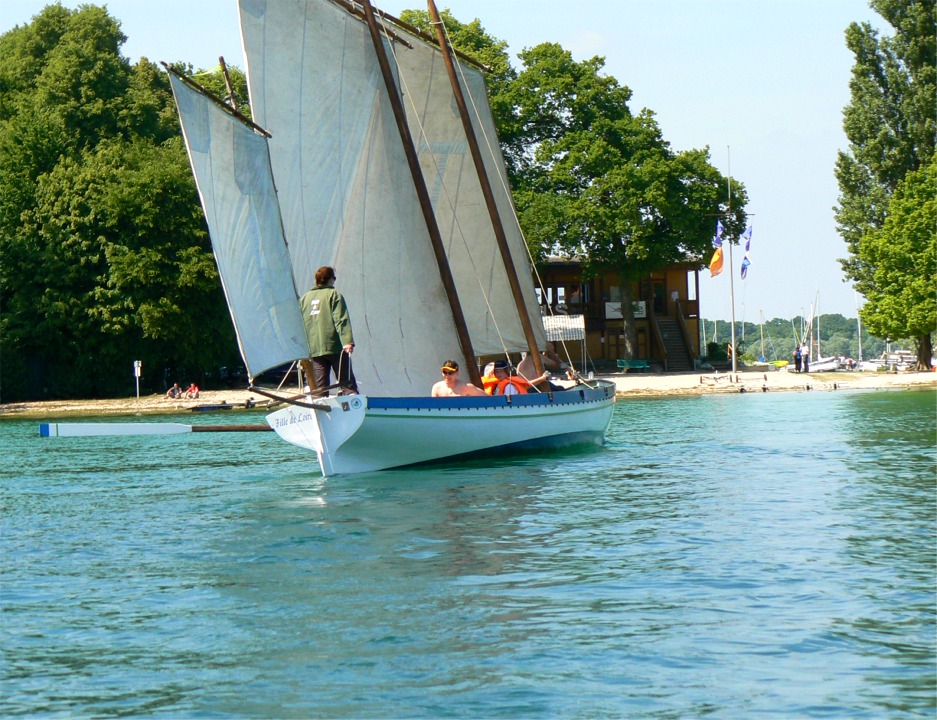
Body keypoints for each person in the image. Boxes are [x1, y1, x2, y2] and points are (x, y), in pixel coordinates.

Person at [300, 266, 358, 396]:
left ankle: (320, 404)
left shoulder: (304, 298)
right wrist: (347, 341)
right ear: (331, 279)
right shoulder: (334, 294)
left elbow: (300, 323)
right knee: (346, 383)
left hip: (314, 348)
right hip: (334, 346)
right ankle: (352, 400)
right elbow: (341, 319)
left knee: (320, 387)